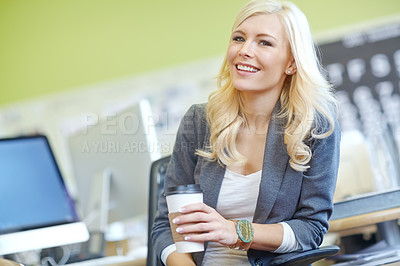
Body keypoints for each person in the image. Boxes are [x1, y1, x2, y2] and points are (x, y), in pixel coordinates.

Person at [151, 0, 341, 265]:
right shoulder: (199, 121)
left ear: (292, 63)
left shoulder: (314, 128)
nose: (245, 50)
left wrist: (236, 231)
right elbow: (166, 226)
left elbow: (311, 230)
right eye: (239, 38)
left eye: (264, 43)